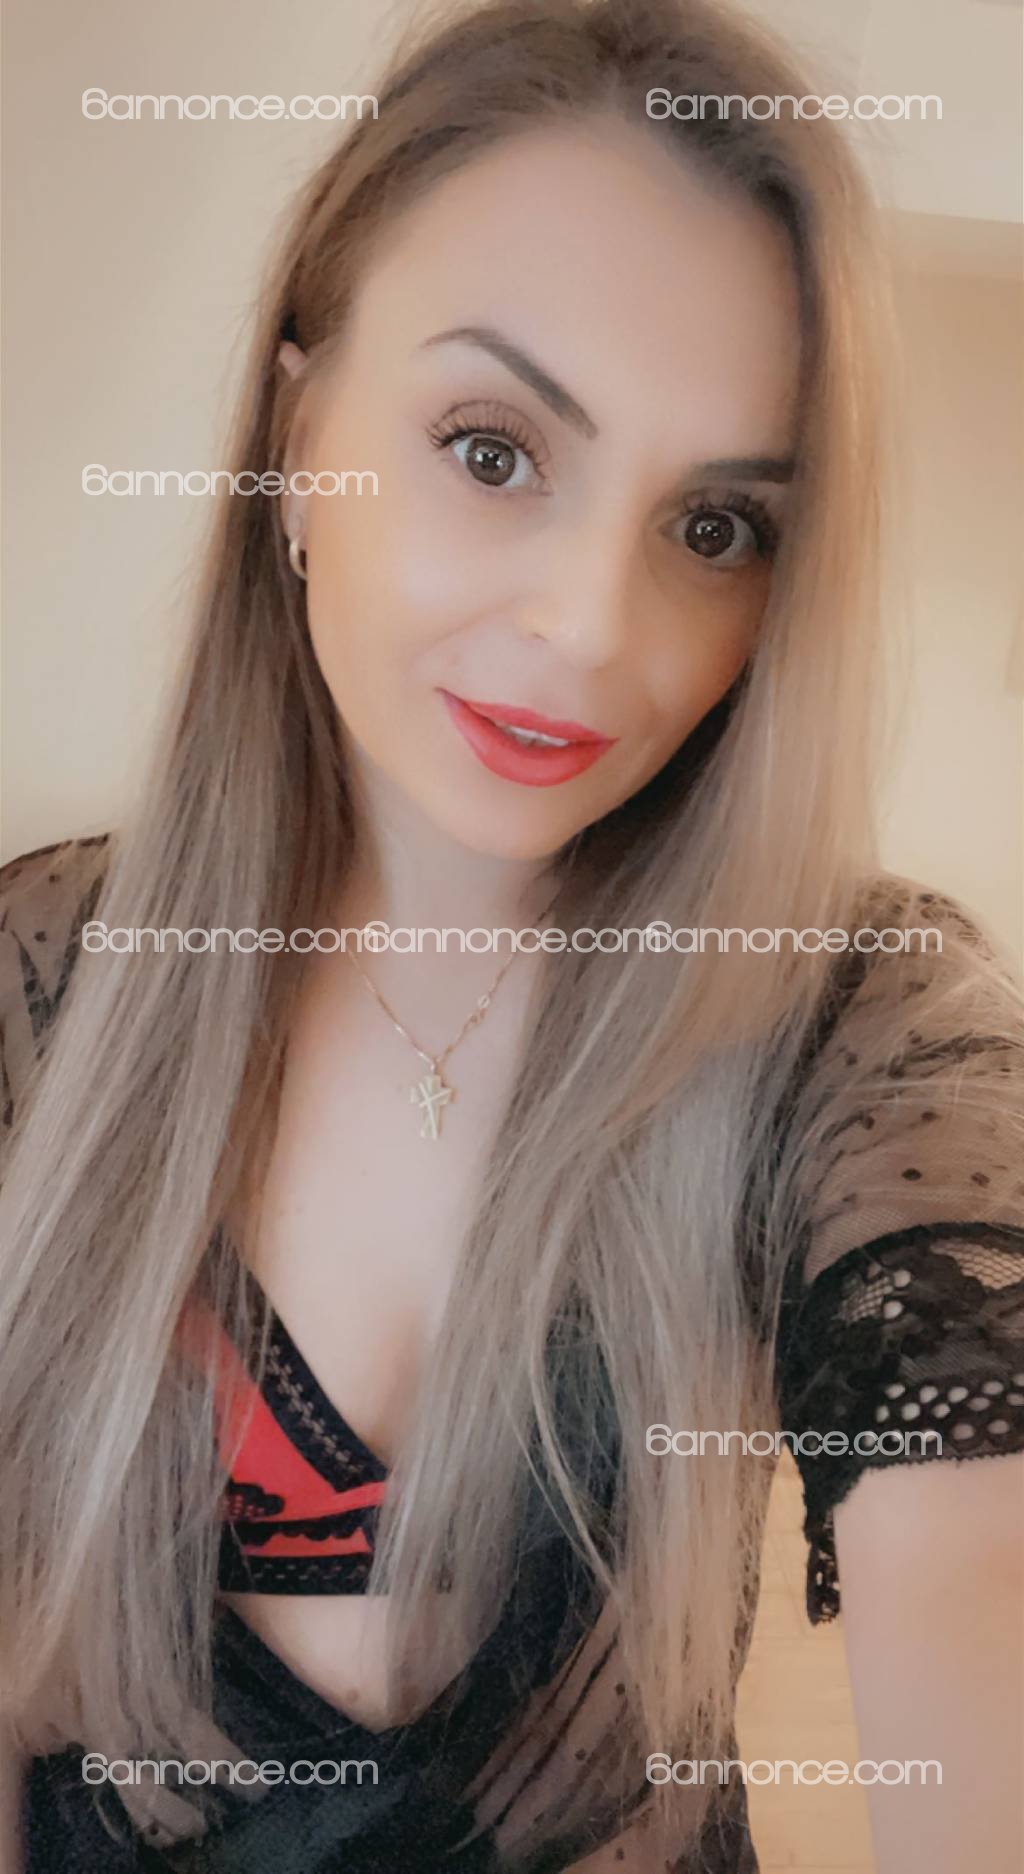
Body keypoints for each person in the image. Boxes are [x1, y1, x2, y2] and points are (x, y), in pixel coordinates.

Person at [1, 1, 1022, 1869]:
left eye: (715, 526)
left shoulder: (854, 1027)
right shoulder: (37, 987)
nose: (592, 625)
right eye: (492, 449)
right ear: (296, 427)